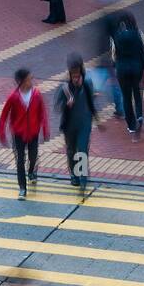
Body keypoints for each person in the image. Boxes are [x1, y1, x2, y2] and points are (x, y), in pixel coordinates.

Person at [0, 67, 49, 201]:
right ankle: (22, 188)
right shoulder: (13, 97)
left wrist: (44, 129)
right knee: (20, 161)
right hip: (18, 134)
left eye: (31, 79)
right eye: (28, 80)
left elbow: (42, 113)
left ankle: (32, 171)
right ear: (20, 82)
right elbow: (4, 115)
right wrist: (2, 133)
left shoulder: (37, 94)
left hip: (33, 132)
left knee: (33, 156)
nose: (30, 82)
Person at [55, 54, 101, 192]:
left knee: (82, 149)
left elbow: (91, 101)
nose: (75, 76)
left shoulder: (87, 83)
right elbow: (58, 106)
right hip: (69, 125)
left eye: (77, 72)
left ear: (81, 69)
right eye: (73, 73)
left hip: (84, 124)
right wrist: (66, 104)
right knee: (71, 150)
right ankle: (74, 174)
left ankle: (83, 178)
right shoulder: (64, 87)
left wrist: (96, 117)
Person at [111, 11, 144, 134]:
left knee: (126, 97)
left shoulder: (116, 35)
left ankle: (131, 125)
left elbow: (114, 55)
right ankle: (140, 116)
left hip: (122, 70)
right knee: (137, 94)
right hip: (137, 68)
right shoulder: (138, 33)